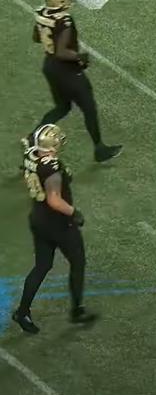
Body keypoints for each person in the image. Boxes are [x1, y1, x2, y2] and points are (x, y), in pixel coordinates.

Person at [13, 124, 97, 334]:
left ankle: (22, 312)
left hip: (38, 219)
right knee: (78, 262)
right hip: (59, 224)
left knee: (42, 266)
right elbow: (54, 200)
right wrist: (73, 212)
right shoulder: (52, 167)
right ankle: (77, 311)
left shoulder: (31, 156)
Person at [25, 0, 122, 162]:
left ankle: (33, 137)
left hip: (50, 66)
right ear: (61, 1)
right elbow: (62, 52)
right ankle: (99, 149)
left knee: (62, 107)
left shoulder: (41, 13)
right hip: (67, 70)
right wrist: (79, 56)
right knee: (89, 109)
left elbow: (36, 37)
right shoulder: (64, 20)